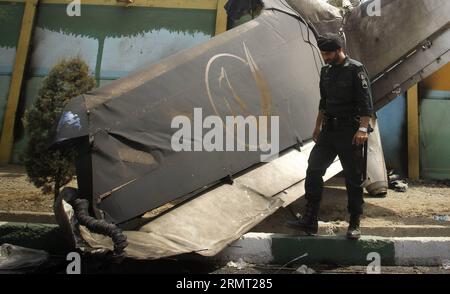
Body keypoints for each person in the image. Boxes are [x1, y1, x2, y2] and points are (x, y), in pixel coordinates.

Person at [287, 33, 374, 240]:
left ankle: (354, 223)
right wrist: (317, 126)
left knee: (353, 178)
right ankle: (310, 219)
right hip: (328, 131)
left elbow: (366, 102)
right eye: (323, 53)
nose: (325, 57)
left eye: (327, 53)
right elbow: (323, 102)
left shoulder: (356, 69)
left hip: (350, 132)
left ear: (338, 50)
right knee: (314, 169)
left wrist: (363, 129)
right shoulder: (326, 71)